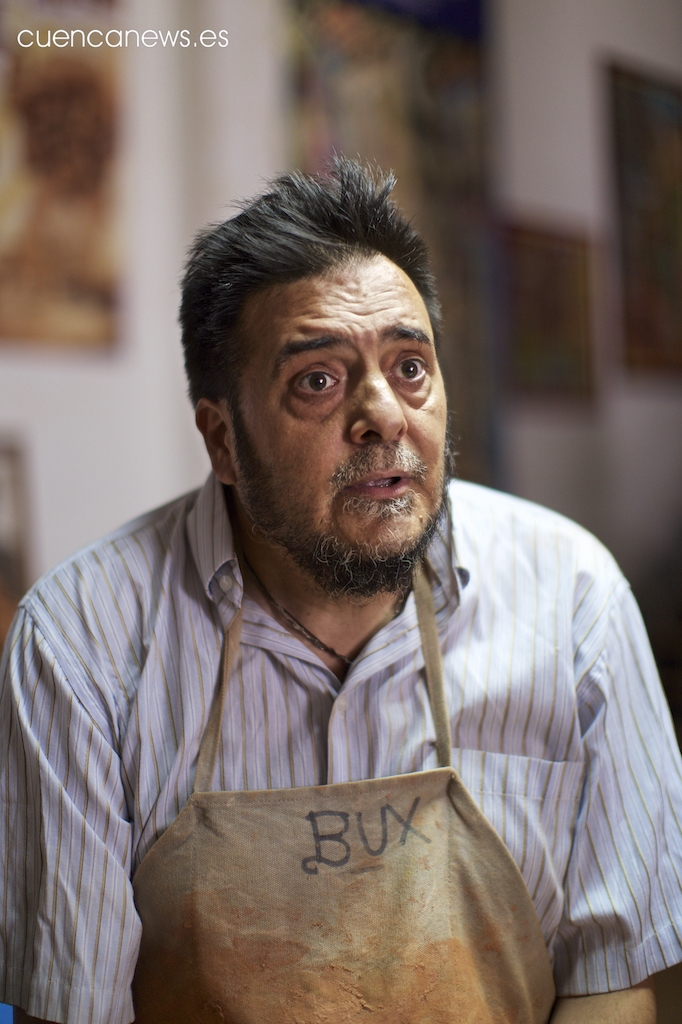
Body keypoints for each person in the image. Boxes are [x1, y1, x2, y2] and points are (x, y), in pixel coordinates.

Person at [1, 158, 680, 1024]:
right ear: (222, 440)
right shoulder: (81, 642)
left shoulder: (573, 601)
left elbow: (611, 981)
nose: (384, 415)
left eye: (410, 367)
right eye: (317, 380)